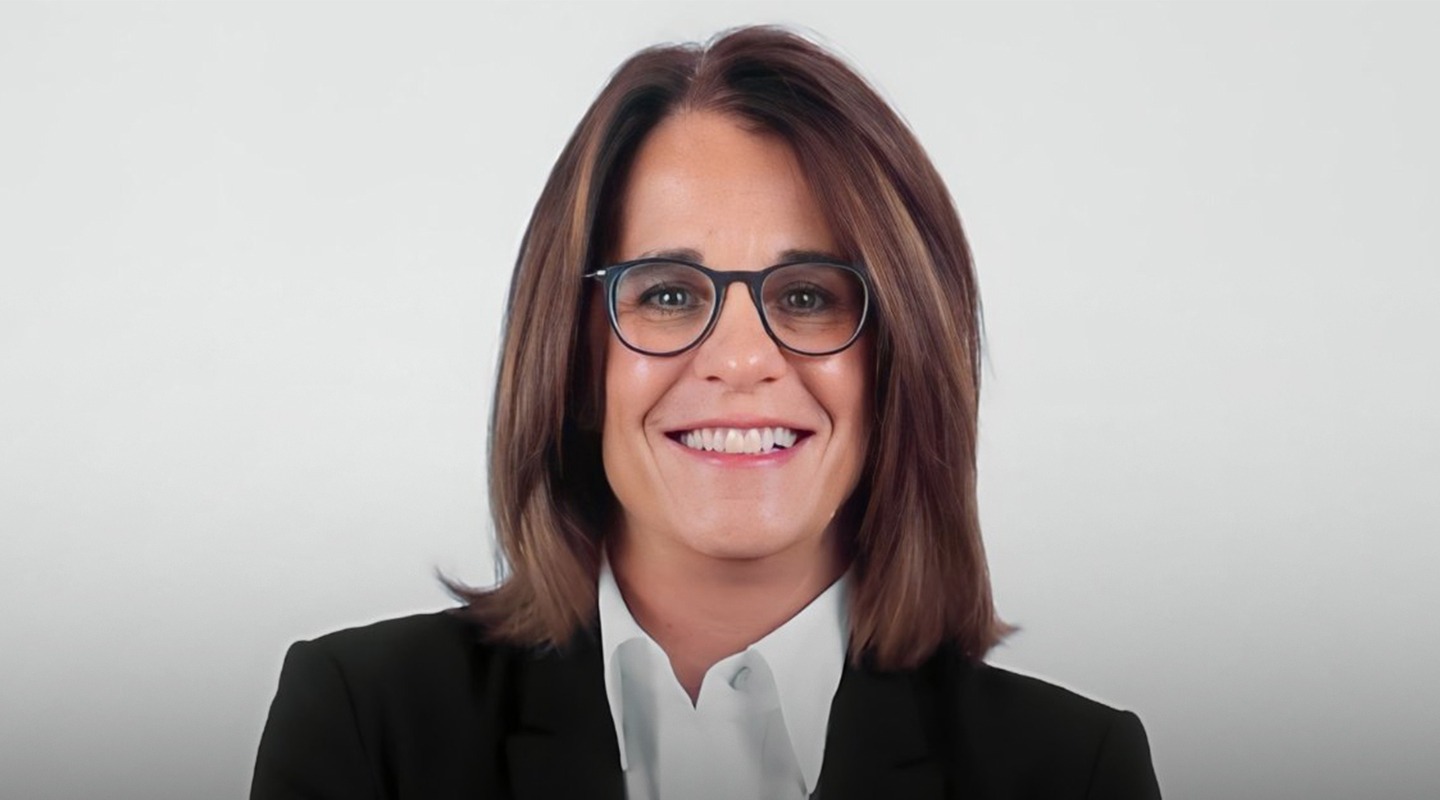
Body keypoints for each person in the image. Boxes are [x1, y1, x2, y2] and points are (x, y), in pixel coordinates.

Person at [251, 25, 1161, 800]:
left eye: (807, 296)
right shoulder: (366, 729)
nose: (740, 359)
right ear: (576, 358)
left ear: (899, 363)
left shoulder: (1074, 772)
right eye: (668, 295)